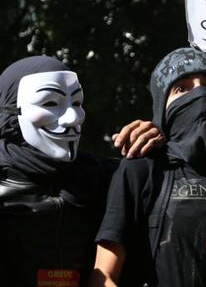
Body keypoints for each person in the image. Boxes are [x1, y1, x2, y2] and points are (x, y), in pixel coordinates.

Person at [91, 47, 206, 287]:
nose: (200, 93)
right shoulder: (143, 171)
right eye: (182, 89)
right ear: (163, 110)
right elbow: (104, 276)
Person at [0, 55, 162, 287]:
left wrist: (159, 150)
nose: (73, 117)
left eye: (76, 103)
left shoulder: (103, 177)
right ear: (10, 111)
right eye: (50, 103)